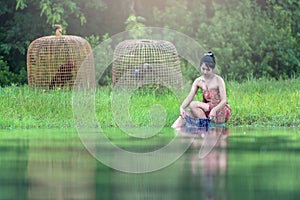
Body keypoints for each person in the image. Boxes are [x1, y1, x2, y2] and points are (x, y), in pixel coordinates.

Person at [171, 51, 230, 128]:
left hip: (219, 110)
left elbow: (224, 100)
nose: (205, 72)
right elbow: (190, 97)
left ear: (213, 69)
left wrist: (214, 110)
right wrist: (181, 107)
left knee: (193, 104)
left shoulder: (218, 80)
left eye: (208, 70)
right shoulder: (198, 81)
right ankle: (172, 132)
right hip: (206, 111)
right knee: (184, 115)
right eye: (203, 69)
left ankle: (206, 127)